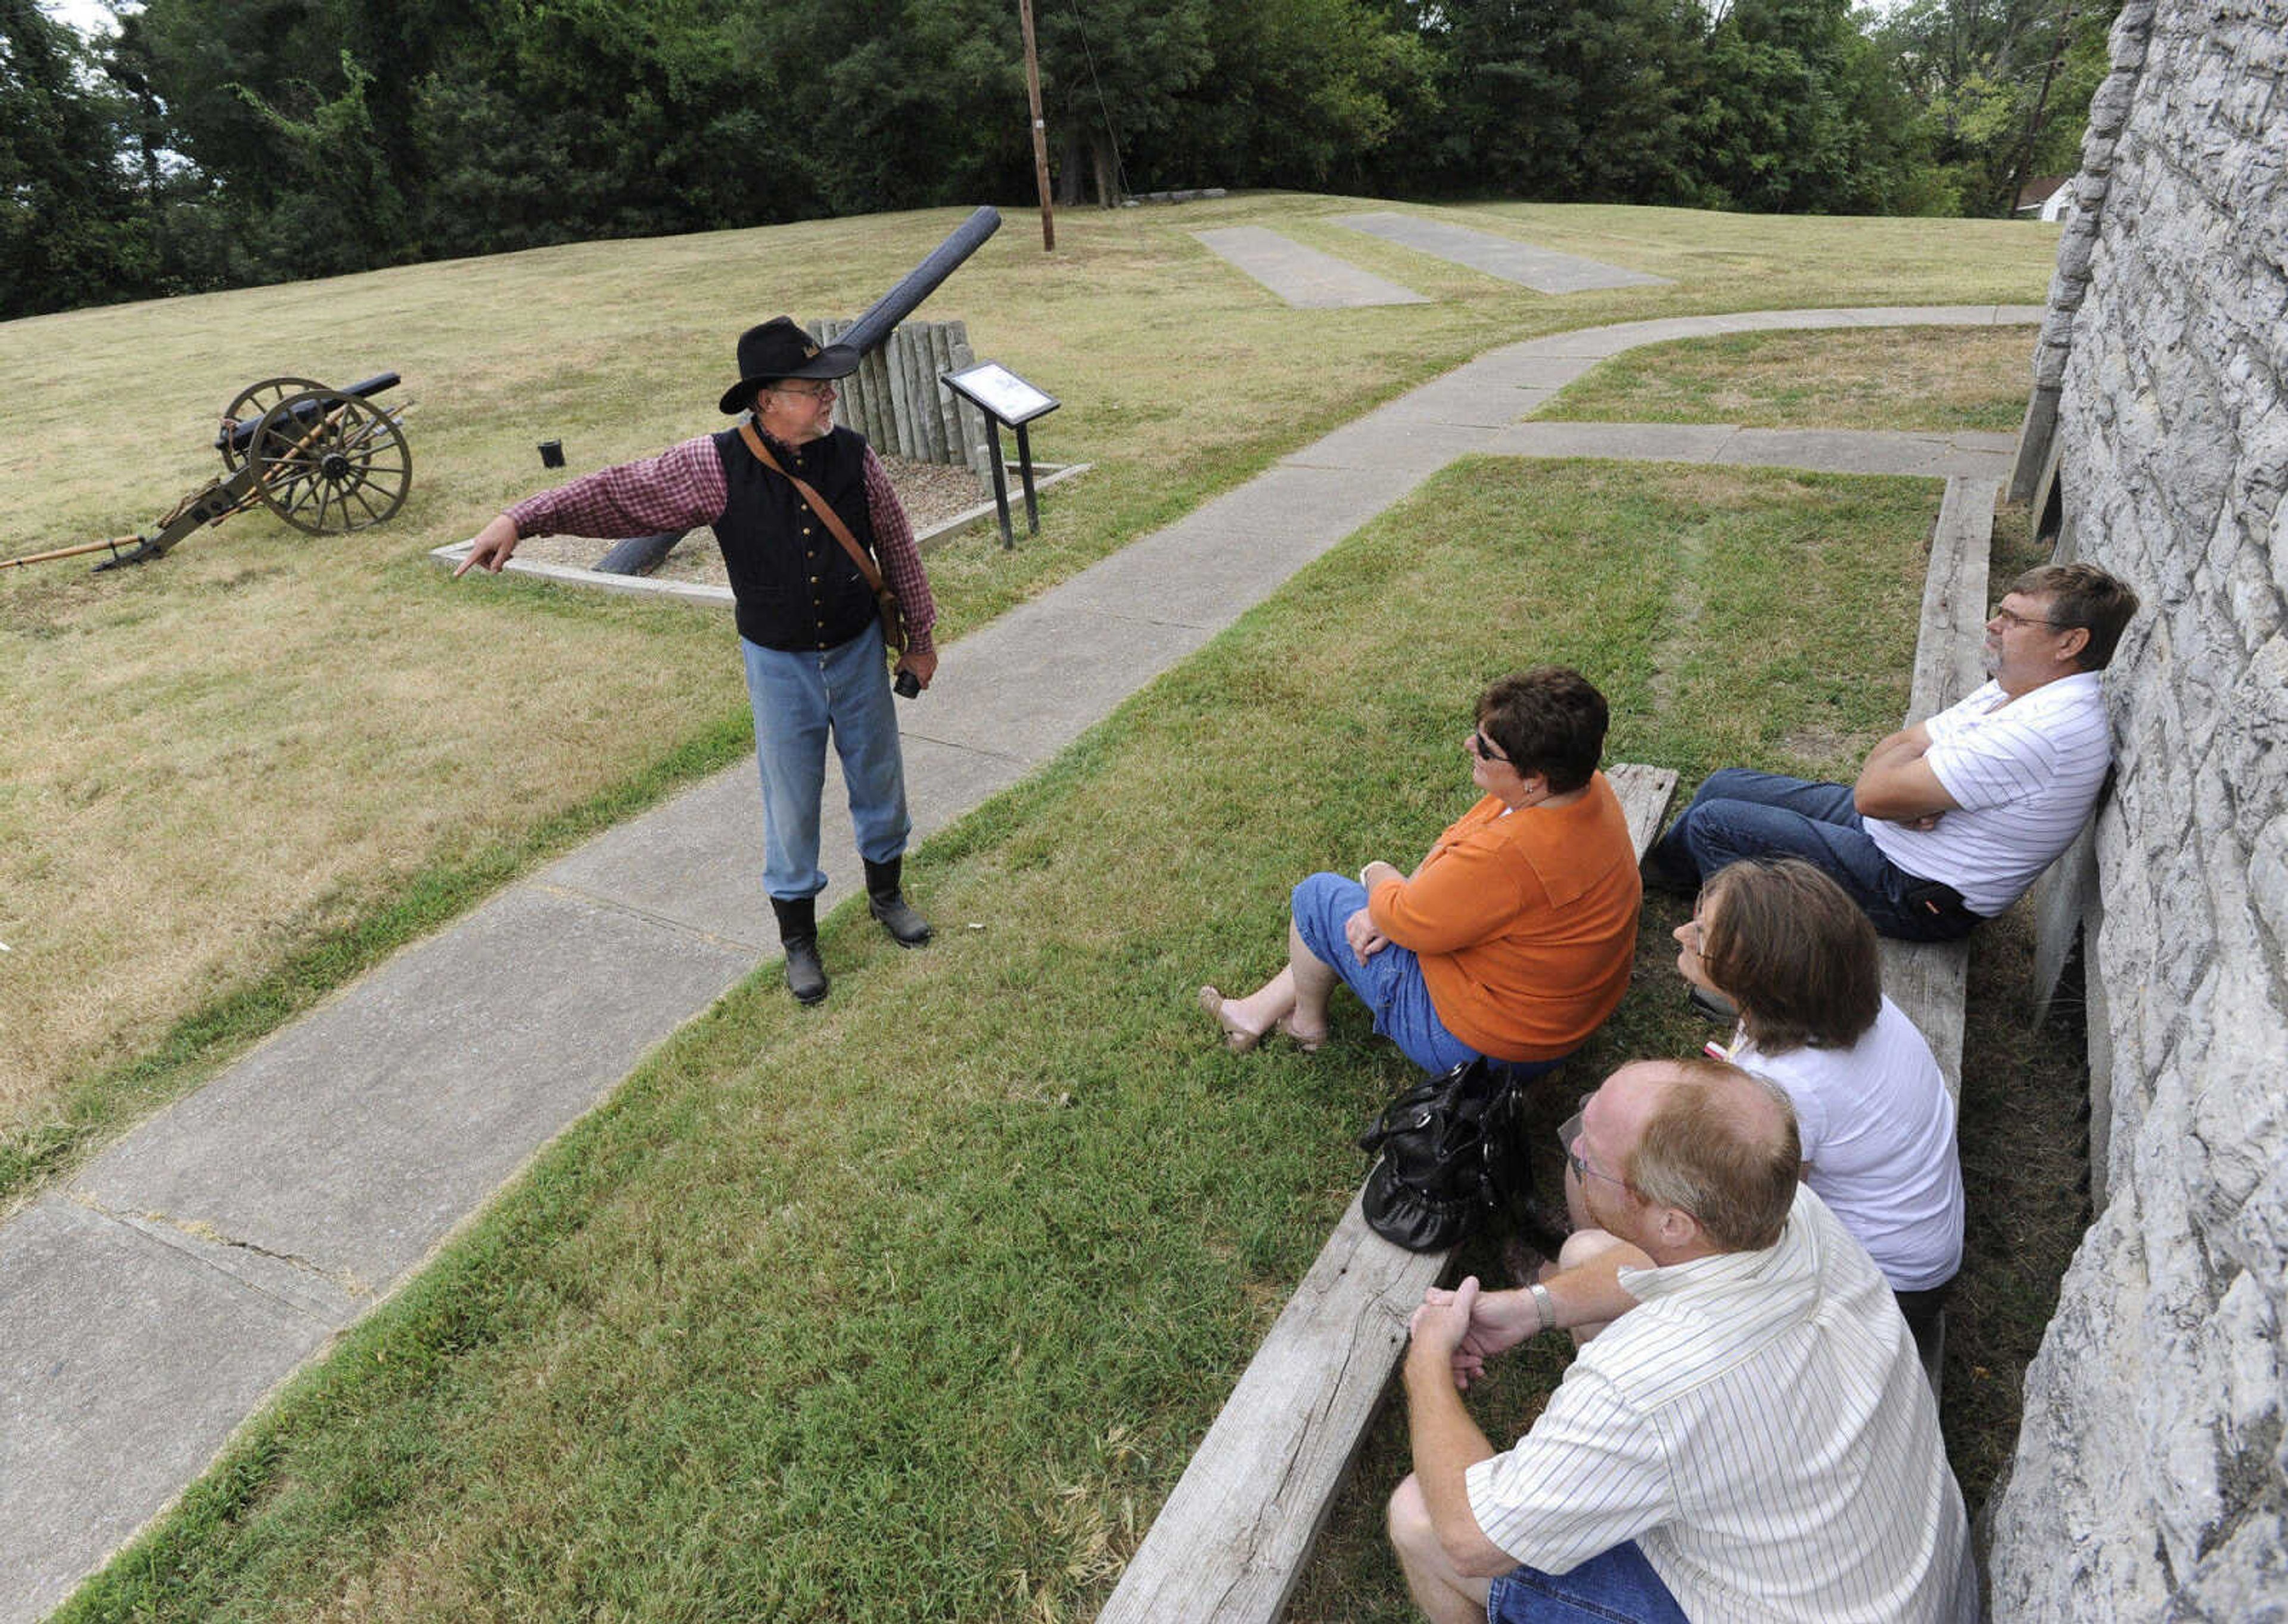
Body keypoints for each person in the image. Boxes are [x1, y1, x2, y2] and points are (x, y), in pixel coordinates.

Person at [455, 318, 939, 1006]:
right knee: (792, 799)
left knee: (879, 776)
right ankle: (799, 938)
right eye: (812, 388)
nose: (830, 397)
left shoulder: (856, 457)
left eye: (827, 385)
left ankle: (887, 894)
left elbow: (899, 547)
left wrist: (919, 640)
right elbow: (618, 491)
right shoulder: (713, 464)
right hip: (779, 665)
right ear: (765, 400)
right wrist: (522, 518)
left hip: (859, 650)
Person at [1390, 1058, 1977, 1624]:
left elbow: (1471, 1535)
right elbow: (1640, 1276)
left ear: (1673, 1223)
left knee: (1419, 1515)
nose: (1581, 1131)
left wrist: (1426, 1361)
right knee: (1586, 1255)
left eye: (1591, 1151)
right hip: (1898, 1580)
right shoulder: (1793, 1209)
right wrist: (1532, 1307)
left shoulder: (1640, 1387)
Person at [1645, 562, 2140, 939]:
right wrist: (1903, 795)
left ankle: (1736, 938)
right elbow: (1900, 746)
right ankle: (1658, 879)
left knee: (1719, 822)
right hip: (1897, 839)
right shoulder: (2022, 685)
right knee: (1723, 784)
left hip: (1917, 892)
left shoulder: (2043, 729)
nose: (1993, 625)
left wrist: (1899, 792)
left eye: (2013, 619)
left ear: (2070, 642)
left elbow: (1875, 792)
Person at [1198, 668, 1640, 1079]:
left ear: (1534, 777)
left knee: (1319, 898)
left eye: (1487, 749)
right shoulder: (1580, 789)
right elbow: (1455, 846)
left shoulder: (1507, 856)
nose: (1470, 746)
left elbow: (1405, 914)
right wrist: (1396, 909)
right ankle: (1255, 1013)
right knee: (1366, 917)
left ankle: (1306, 1026)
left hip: (1488, 1050)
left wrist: (1379, 878)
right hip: (1563, 1019)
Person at [1673, 857, 1963, 1338]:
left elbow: (1768, 1213)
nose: (1682, 933)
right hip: (1921, 1252)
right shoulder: (1836, 1000)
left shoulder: (1786, 1082)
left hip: (1888, 1290)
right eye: (1700, 921)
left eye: (1702, 938)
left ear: (1760, 981)